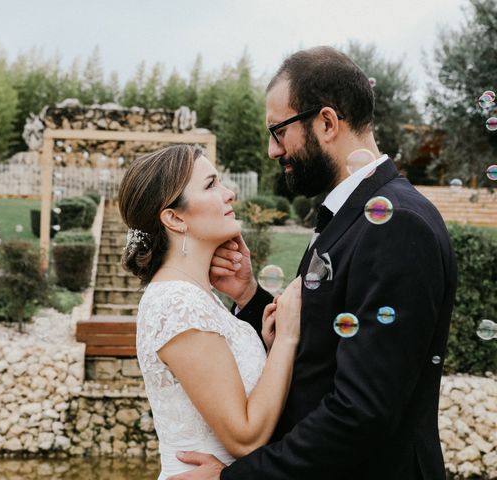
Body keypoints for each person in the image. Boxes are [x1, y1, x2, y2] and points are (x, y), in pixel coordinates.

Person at [172, 46, 458, 480]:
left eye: (278, 131)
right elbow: (320, 352)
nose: (272, 150)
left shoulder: (397, 225)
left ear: (326, 123)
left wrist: (232, 478)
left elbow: (360, 412)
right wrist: (251, 297)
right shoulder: (354, 213)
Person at [118, 144, 303, 480]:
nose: (229, 193)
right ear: (174, 218)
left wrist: (257, 315)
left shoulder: (198, 298)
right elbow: (244, 437)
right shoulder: (177, 303)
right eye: (210, 185)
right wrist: (289, 337)